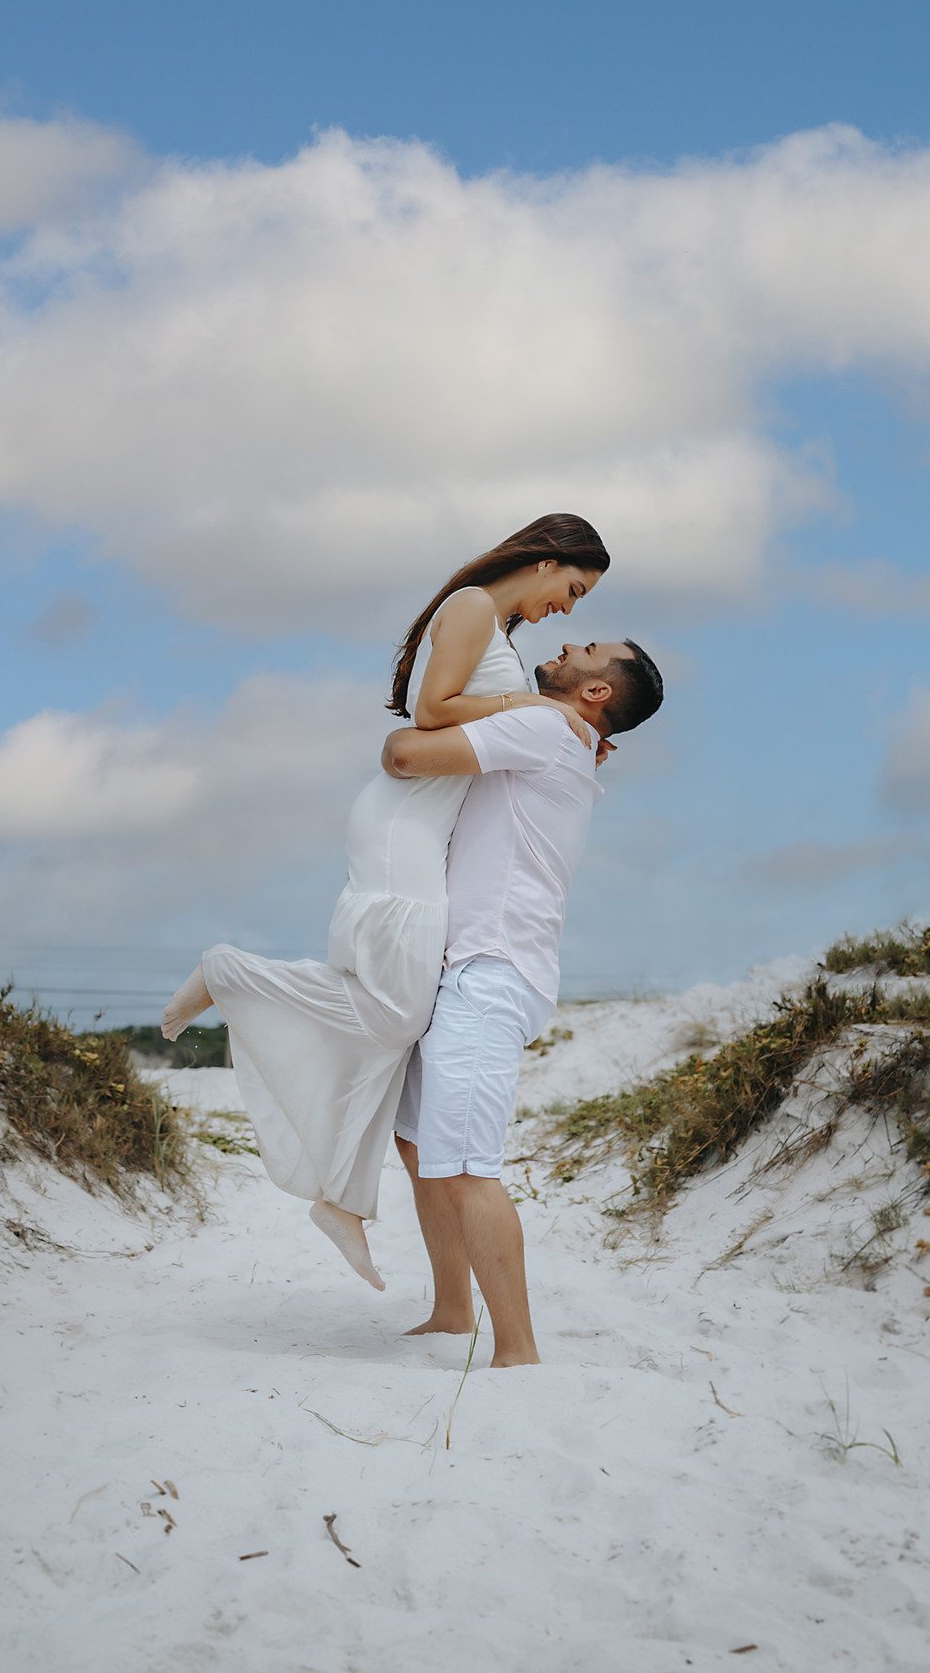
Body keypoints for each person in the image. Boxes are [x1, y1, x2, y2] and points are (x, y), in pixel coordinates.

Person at [160, 516, 610, 1289]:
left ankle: (344, 1199)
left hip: (418, 825)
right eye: (572, 590)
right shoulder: (470, 606)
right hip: (404, 822)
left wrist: (553, 720)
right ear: (544, 562)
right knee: (396, 1018)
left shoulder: (494, 629)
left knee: (392, 1033)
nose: (568, 611)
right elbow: (430, 712)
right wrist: (541, 713)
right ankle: (229, 971)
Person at [384, 637, 664, 1366]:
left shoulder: (545, 726)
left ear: (596, 692)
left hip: (491, 971)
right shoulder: (558, 734)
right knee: (417, 1144)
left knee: (471, 1166)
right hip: (472, 966)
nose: (569, 641)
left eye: (590, 648)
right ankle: (452, 1309)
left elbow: (404, 754)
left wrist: (525, 703)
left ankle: (518, 1350)